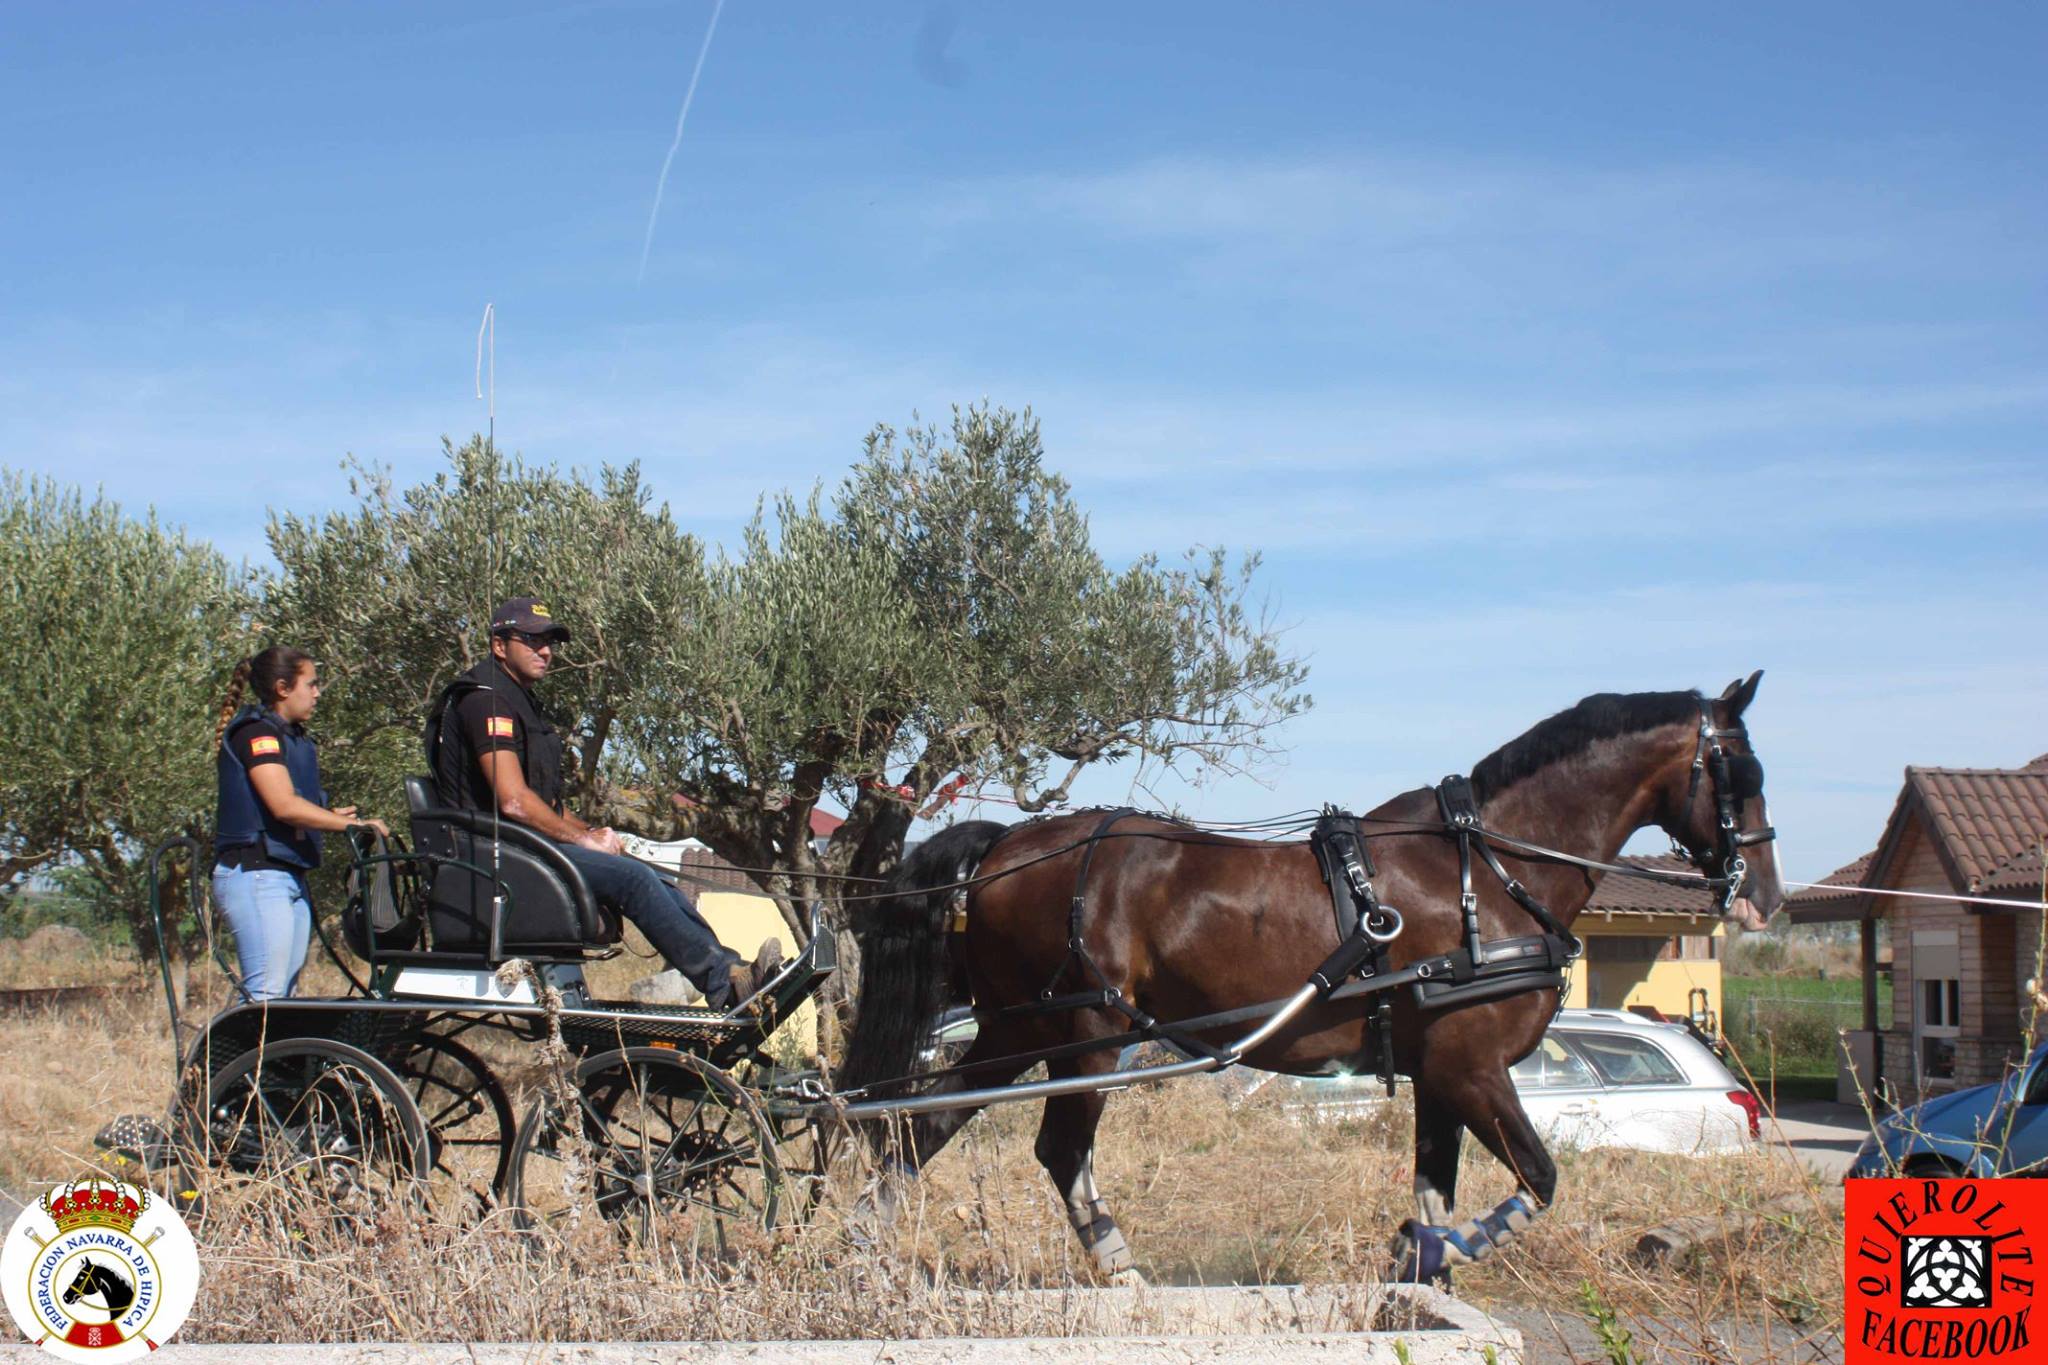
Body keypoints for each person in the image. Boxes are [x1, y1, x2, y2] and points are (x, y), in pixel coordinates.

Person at [423, 598, 781, 1010]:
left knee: (648, 874)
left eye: (550, 642)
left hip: (525, 849)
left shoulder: (517, 700)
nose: (545, 651)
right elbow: (515, 802)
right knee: (633, 879)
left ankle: (733, 974)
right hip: (494, 860)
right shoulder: (484, 699)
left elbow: (546, 804)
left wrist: (595, 835)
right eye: (531, 640)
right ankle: (722, 984)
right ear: (499, 646)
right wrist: (582, 840)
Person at [214, 646, 390, 1001]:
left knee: (282, 996)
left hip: (285, 875)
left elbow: (289, 807)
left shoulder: (293, 738)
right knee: (265, 995)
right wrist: (350, 827)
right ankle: (227, 1059)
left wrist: (331, 817)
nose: (317, 693)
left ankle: (268, 1058)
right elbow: (283, 806)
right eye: (310, 684)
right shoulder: (256, 733)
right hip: (257, 875)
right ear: (283, 688)